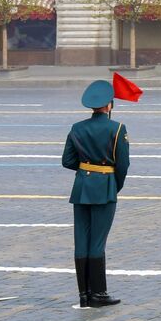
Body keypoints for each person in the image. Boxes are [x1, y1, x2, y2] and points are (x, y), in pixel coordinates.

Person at [61, 80, 130, 309]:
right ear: (109, 105)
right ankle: (99, 294)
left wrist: (86, 171)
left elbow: (67, 161)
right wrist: (113, 184)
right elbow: (122, 166)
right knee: (97, 243)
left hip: (81, 189)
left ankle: (84, 295)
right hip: (105, 188)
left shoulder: (77, 128)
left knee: (81, 241)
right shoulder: (117, 128)